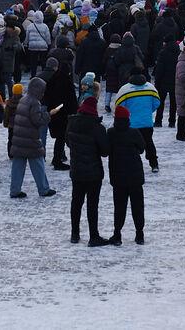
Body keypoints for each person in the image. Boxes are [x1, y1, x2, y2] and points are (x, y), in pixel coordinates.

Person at [66, 94, 110, 246]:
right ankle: (94, 235)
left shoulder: (71, 124)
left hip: (77, 171)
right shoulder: (97, 128)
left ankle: (74, 234)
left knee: (76, 202)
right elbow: (105, 151)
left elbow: (68, 143)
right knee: (92, 205)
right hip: (93, 173)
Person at [8, 77, 57, 199]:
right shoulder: (34, 102)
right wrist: (49, 114)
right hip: (30, 139)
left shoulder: (24, 99)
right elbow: (37, 120)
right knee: (38, 164)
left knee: (18, 166)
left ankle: (15, 190)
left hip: (19, 138)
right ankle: (44, 189)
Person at [107, 104, 145, 245]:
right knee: (137, 206)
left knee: (119, 206)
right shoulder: (134, 132)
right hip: (135, 176)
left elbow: (106, 150)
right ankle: (139, 234)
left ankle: (117, 234)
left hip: (118, 176)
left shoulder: (111, 133)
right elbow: (142, 148)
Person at [113, 73, 160, 173]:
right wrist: (148, 111)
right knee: (149, 143)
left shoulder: (125, 89)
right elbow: (157, 102)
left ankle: (133, 165)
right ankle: (154, 164)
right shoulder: (150, 87)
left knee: (132, 145)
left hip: (132, 123)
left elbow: (119, 106)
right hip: (147, 121)